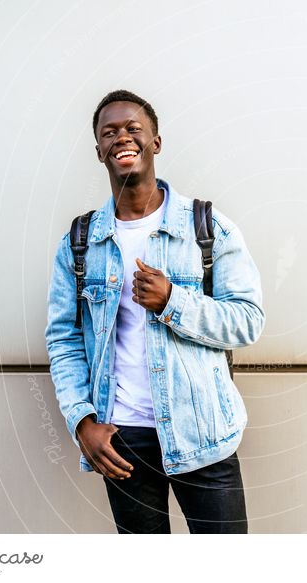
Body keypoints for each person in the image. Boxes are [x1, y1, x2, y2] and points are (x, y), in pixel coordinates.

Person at [45, 89, 265, 533]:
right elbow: (63, 339)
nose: (122, 137)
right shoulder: (80, 242)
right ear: (99, 151)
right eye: (110, 132)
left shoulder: (207, 228)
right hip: (122, 439)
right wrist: (81, 420)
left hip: (203, 433)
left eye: (133, 128)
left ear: (155, 143)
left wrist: (173, 303)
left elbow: (247, 321)